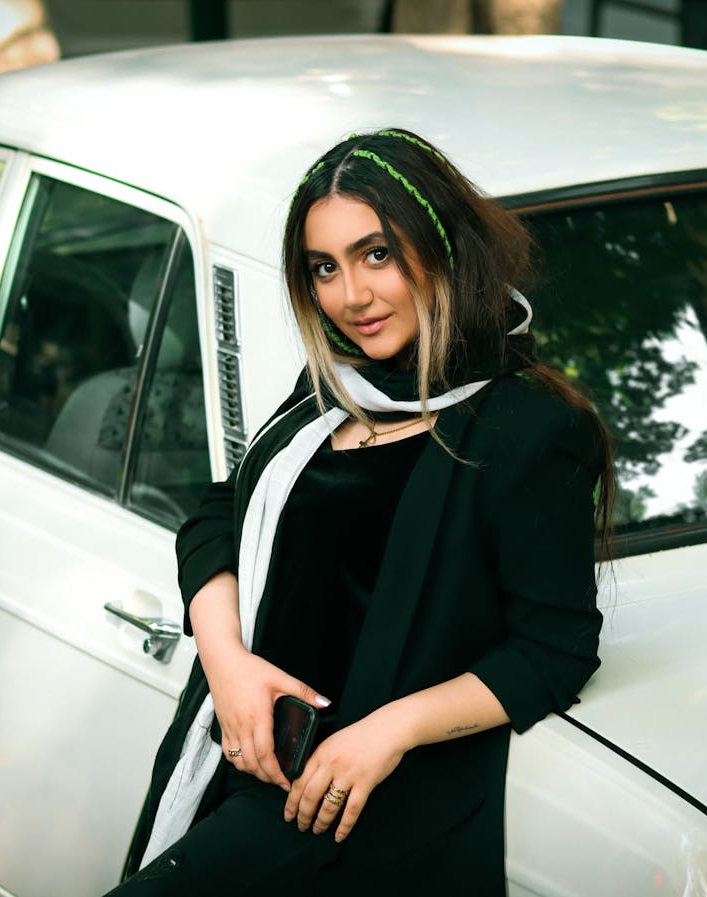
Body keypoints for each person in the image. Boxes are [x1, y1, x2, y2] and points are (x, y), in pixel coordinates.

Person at [108, 127, 614, 895]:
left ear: (444, 247)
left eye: (377, 254)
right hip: (230, 760)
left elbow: (554, 650)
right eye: (325, 268)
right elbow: (222, 509)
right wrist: (228, 663)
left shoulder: (527, 430)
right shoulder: (337, 388)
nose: (352, 296)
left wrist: (388, 731)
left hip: (346, 812)